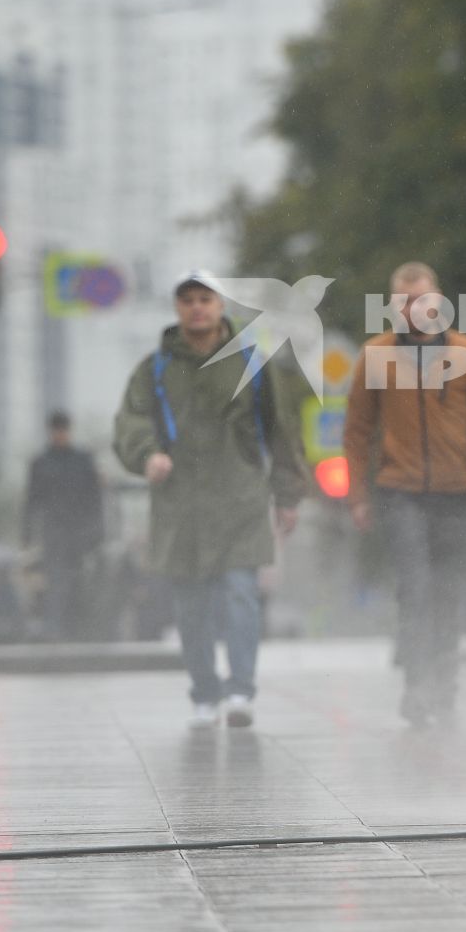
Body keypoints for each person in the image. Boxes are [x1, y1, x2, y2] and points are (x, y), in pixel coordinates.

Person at [114, 270, 309, 729]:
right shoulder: (155, 369)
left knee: (242, 593)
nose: (197, 307)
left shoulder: (252, 365)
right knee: (191, 605)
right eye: (188, 301)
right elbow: (131, 422)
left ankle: (240, 690)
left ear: (221, 307)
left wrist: (288, 496)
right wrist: (148, 457)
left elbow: (281, 433)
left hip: (240, 498)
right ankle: (204, 691)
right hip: (180, 505)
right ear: (178, 309)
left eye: (206, 299)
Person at [343, 261, 466, 728]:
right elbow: (357, 431)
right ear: (392, 307)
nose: (412, 310)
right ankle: (417, 686)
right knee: (416, 588)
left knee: (447, 592)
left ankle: (444, 685)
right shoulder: (376, 356)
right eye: (403, 302)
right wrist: (357, 497)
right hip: (398, 490)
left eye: (420, 300)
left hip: (455, 492)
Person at [22, 411, 105, 641]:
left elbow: (95, 498)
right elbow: (31, 500)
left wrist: (97, 529)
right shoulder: (40, 463)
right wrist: (26, 533)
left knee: (80, 582)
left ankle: (80, 631)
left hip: (81, 533)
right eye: (56, 431)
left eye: (63, 430)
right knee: (56, 582)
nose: (60, 435)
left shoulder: (83, 460)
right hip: (54, 532)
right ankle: (55, 632)